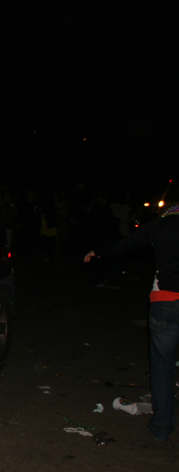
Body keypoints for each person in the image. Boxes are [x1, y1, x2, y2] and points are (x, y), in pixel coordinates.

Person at [83, 189, 179, 441]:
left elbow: (127, 244)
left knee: (162, 368)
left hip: (166, 301)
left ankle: (161, 428)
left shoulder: (161, 225)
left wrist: (98, 251)